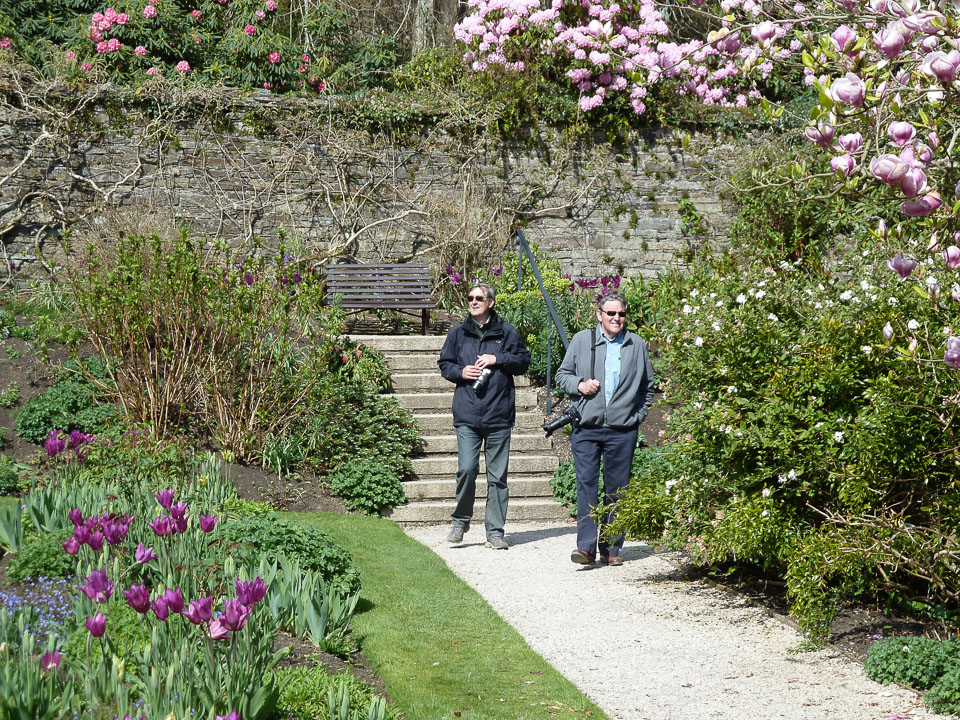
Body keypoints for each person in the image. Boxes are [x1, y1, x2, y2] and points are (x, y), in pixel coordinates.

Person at [555, 292, 655, 566]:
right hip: (586, 427)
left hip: (622, 429)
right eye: (610, 313)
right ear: (599, 314)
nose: (616, 318)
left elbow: (648, 386)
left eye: (621, 314)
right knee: (586, 483)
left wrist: (637, 416)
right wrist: (580, 385)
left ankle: (611, 548)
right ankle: (585, 547)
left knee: (618, 489)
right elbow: (562, 375)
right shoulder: (582, 340)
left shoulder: (636, 344)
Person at [438, 282, 531, 549]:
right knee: (467, 469)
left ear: (491, 302)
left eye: (479, 298)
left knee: (498, 477)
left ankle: (495, 532)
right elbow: (445, 364)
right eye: (470, 298)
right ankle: (460, 522)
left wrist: (497, 358)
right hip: (467, 413)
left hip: (499, 413)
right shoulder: (459, 332)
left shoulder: (506, 332)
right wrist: (460, 372)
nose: (474, 301)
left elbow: (523, 361)